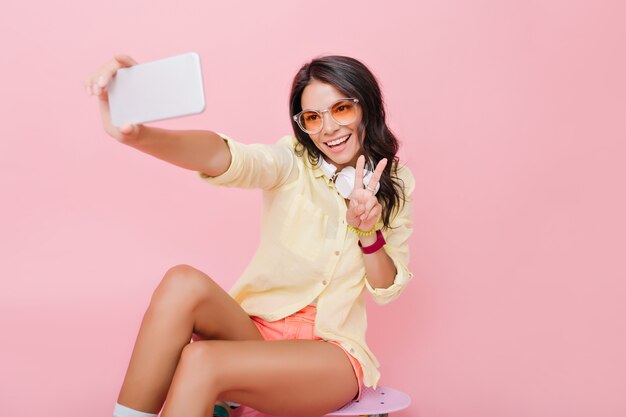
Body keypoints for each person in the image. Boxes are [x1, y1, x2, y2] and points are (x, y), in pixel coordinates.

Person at [85, 54, 415, 417]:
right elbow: (228, 158)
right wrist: (140, 136)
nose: (328, 128)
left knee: (202, 359)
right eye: (313, 118)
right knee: (182, 282)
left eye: (341, 109)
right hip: (256, 337)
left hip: (329, 356)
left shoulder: (397, 184)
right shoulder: (291, 162)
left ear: (366, 106)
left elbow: (387, 289)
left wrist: (368, 233)